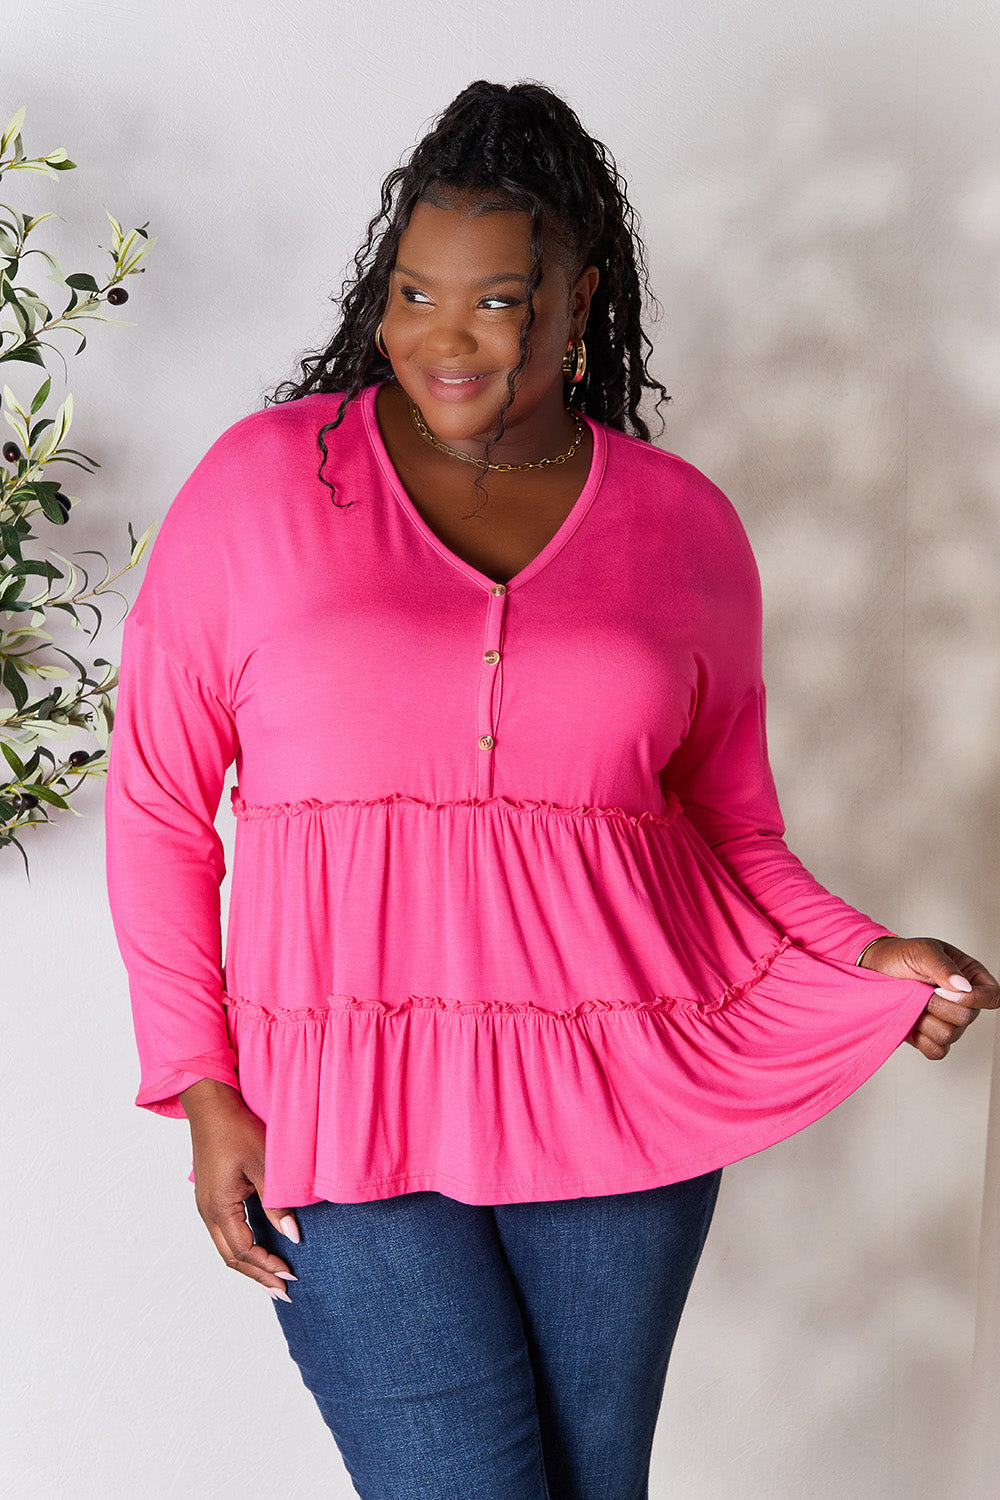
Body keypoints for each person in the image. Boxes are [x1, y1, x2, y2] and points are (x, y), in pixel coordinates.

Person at [104, 79, 998, 1500]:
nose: (440, 340)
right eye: (412, 291)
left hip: (617, 1087)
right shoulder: (264, 488)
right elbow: (157, 802)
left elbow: (725, 826)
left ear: (580, 306)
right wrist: (204, 1082)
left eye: (498, 301)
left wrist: (860, 952)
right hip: (345, 1097)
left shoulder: (682, 524)